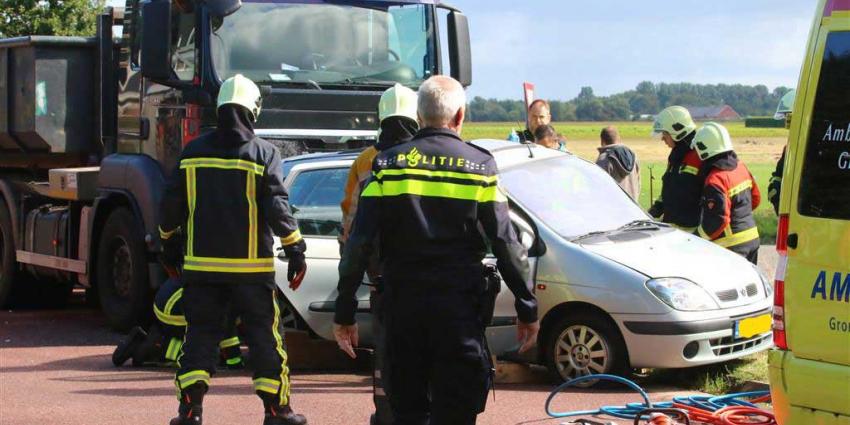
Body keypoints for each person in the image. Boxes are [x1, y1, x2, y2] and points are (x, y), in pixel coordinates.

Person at [333, 75, 539, 425]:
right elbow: (506, 242)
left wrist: (345, 311)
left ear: (419, 113)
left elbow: (359, 242)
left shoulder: (387, 165)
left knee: (406, 411)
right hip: (459, 311)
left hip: (401, 308)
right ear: (460, 116)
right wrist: (527, 306)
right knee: (456, 410)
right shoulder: (480, 167)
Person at [158, 74, 308, 425]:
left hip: (201, 269)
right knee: (265, 341)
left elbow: (171, 207)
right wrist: (295, 248)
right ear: (253, 110)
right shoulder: (264, 153)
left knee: (199, 338)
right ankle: (277, 412)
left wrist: (168, 245)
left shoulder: (192, 151)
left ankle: (190, 413)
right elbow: (276, 205)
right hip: (251, 271)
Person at [339, 84, 419, 425]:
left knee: (388, 356)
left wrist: (351, 282)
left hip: (383, 278)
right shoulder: (427, 155)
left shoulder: (366, 161)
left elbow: (352, 225)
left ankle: (386, 415)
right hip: (429, 277)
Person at [112, 277, 243, 368]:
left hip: (172, 295)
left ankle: (160, 337)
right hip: (173, 307)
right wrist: (234, 361)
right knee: (203, 355)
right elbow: (227, 328)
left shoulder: (244, 284)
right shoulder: (240, 297)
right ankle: (151, 347)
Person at [693, 122, 761, 264]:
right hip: (752, 238)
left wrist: (695, 238)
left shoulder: (715, 179)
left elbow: (718, 220)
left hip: (731, 246)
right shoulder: (741, 167)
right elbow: (755, 199)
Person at [648, 106, 704, 232]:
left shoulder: (700, 155)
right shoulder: (675, 156)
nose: (662, 138)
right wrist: (657, 207)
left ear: (677, 133)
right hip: (673, 231)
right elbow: (670, 186)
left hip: (695, 234)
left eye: (665, 134)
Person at [595, 126, 640, 201]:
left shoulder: (604, 159)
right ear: (619, 139)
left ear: (602, 141)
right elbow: (638, 185)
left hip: (613, 208)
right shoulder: (633, 156)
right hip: (632, 207)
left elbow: (598, 188)